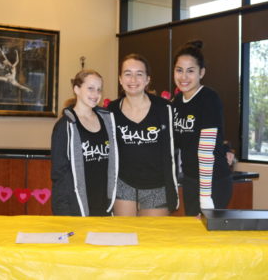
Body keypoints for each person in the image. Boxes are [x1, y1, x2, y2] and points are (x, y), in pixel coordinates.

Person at [108, 54, 178, 216]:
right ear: (120, 79)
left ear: (147, 79)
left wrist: (224, 148)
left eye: (139, 74)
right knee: (124, 238)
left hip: (157, 185)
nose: (133, 79)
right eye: (127, 73)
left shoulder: (164, 108)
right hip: (123, 183)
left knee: (152, 239)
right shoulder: (111, 110)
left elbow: (186, 136)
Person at [172, 40, 233, 216]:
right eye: (179, 70)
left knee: (208, 239)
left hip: (213, 182)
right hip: (191, 180)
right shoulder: (177, 102)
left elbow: (206, 150)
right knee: (194, 238)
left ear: (202, 73)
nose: (184, 77)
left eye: (190, 71)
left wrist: (205, 198)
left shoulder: (208, 98)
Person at [51, 69, 118, 216]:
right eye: (90, 88)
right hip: (75, 207)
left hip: (102, 205)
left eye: (99, 89)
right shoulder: (65, 126)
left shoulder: (107, 120)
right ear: (76, 89)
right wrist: (63, 212)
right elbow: (59, 174)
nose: (96, 94)